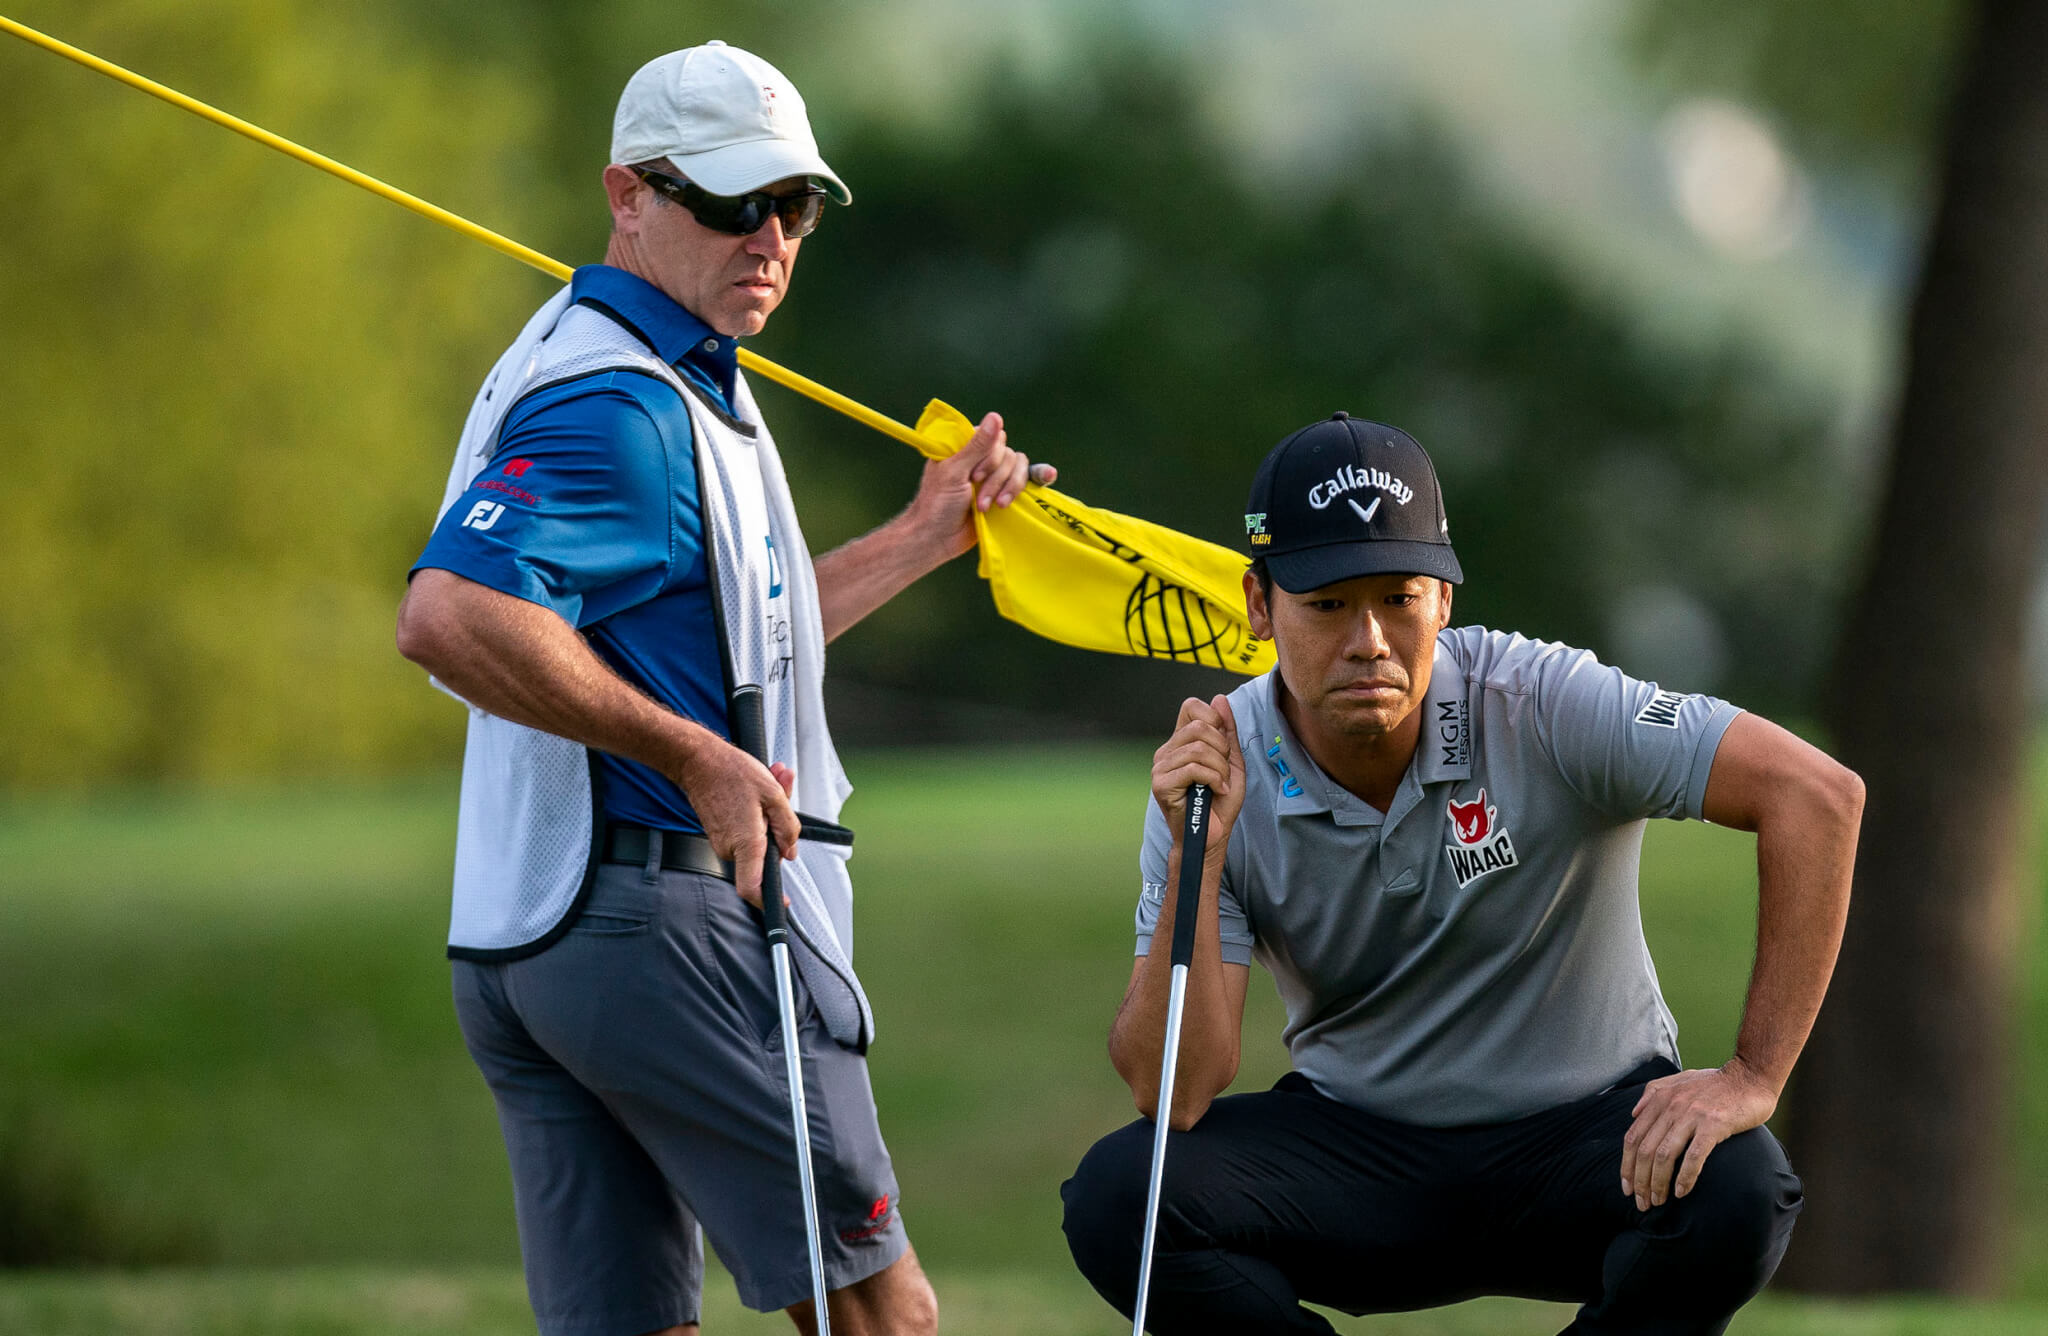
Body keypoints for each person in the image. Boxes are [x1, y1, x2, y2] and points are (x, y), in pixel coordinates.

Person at [395, 41, 1049, 1336]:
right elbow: (449, 616)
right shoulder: (624, 407)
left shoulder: (661, 374)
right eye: (730, 203)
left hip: (534, 940)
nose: (769, 238)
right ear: (628, 194)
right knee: (881, 1317)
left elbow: (734, 634)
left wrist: (924, 538)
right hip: (660, 923)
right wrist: (689, 755)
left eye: (792, 205)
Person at [1060, 413, 1861, 1334]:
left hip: (1587, 1142)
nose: (1368, 639)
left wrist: (1755, 1074)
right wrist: (1197, 854)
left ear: (1443, 598)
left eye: (1398, 598)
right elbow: (1178, 1088)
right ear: (1258, 602)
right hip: (1360, 1157)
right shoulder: (1214, 769)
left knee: (1739, 1185)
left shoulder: (1542, 700)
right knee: (1125, 1195)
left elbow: (1817, 794)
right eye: (1326, 605)